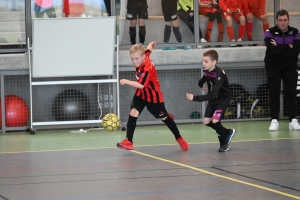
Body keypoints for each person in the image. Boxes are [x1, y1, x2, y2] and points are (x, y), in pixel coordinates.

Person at [117, 41, 189, 151]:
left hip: (153, 97)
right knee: (133, 113)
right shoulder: (144, 54)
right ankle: (129, 141)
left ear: (142, 57)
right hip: (141, 95)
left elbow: (141, 85)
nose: (134, 61)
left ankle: (179, 139)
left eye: (136, 59)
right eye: (132, 59)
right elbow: (148, 49)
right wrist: (151, 44)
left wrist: (125, 81)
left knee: (164, 118)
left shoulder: (147, 67)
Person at [186, 49, 235, 152]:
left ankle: (223, 144)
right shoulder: (208, 70)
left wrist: (195, 98)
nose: (203, 63)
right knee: (206, 121)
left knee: (216, 121)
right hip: (214, 99)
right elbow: (204, 78)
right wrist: (200, 84)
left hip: (223, 99)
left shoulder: (219, 75)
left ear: (214, 62)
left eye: (206, 61)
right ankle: (227, 132)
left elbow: (212, 95)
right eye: (203, 61)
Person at [264, 9, 300, 131]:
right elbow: (272, 51)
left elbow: (296, 52)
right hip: (273, 66)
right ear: (276, 21)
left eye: (285, 20)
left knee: (291, 93)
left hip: (290, 67)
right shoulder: (269, 32)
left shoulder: (295, 32)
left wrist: (279, 47)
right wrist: (288, 47)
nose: (283, 23)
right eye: (280, 20)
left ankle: (293, 120)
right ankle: (274, 120)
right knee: (274, 93)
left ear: (288, 20)